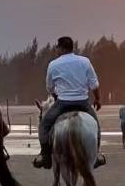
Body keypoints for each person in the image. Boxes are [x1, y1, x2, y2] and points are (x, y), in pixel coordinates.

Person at [32, 37, 106, 170]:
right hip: (83, 102)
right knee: (95, 125)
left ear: (60, 48)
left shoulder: (53, 64)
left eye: (57, 48)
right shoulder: (85, 61)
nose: (56, 50)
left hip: (63, 103)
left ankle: (45, 156)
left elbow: (49, 87)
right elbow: (94, 84)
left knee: (44, 125)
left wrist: (56, 95)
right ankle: (97, 154)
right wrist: (97, 99)